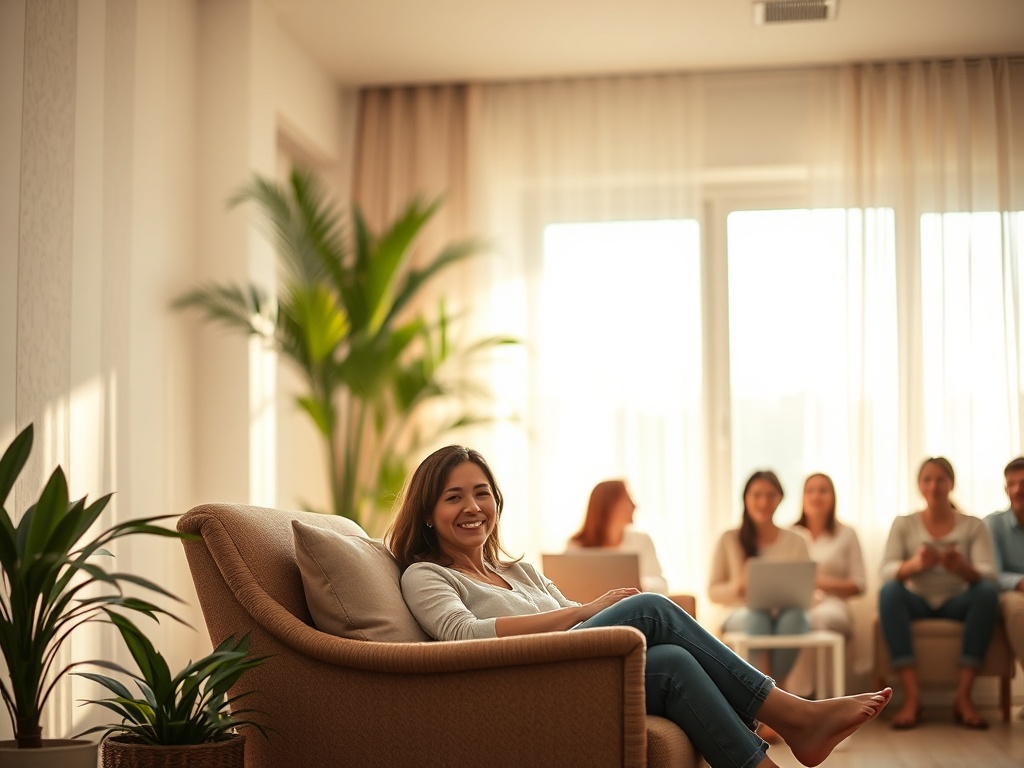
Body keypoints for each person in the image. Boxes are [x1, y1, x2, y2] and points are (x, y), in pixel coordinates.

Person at [388, 445, 891, 768]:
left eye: (481, 493)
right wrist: (585, 612)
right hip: (529, 680)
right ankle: (795, 716)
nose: (473, 507)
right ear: (429, 514)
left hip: (575, 666)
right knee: (652, 608)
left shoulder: (514, 568)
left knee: (673, 663)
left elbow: (572, 611)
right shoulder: (425, 574)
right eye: (454, 498)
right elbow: (463, 636)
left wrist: (583, 612)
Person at [878, 456, 999, 730]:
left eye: (940, 479)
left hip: (958, 600)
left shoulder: (973, 525)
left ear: (951, 484)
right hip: (916, 600)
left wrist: (963, 568)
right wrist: (915, 565)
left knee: (987, 593)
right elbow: (886, 570)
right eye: (927, 480)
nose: (934, 486)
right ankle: (912, 698)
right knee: (889, 592)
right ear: (920, 486)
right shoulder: (904, 523)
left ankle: (963, 698)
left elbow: (990, 573)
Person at [709, 471, 813, 692]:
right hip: (739, 612)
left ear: (780, 498)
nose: (764, 502)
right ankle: (769, 695)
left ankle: (774, 692)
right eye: (757, 495)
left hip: (785, 612)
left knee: (796, 619)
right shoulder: (729, 538)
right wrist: (739, 585)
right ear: (746, 498)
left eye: (770, 495)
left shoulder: (797, 539)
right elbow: (713, 591)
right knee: (758, 618)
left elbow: (807, 588)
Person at [789, 473, 866, 696]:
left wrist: (820, 583)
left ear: (833, 497)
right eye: (810, 491)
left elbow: (860, 584)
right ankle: (790, 696)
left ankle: (812, 695)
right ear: (802, 497)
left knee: (814, 619)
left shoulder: (846, 534)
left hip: (834, 605)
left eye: (823, 490)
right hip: (797, 604)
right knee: (792, 619)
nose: (816, 496)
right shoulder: (790, 534)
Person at [568, 479, 668, 594]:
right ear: (609, 505)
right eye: (627, 499)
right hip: (594, 611)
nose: (635, 505)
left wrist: (640, 585)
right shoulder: (575, 546)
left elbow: (662, 585)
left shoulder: (642, 540)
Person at [984, 457, 1024, 700]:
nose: (1018, 490)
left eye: (1023, 483)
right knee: (1017, 609)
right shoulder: (993, 524)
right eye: (1012, 484)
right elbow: (992, 573)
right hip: (1009, 595)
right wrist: (1020, 582)